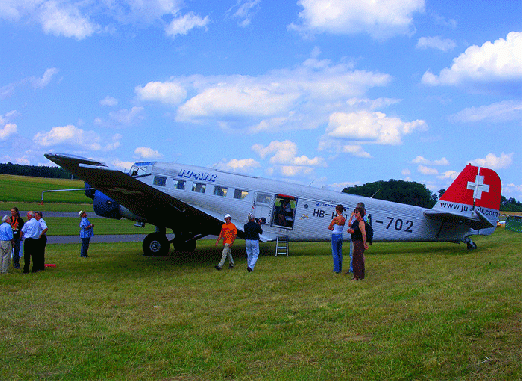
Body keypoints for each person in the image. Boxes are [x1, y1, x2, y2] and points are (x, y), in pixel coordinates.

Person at [346, 206, 369, 280]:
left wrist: (364, 243)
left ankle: (357, 277)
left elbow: (364, 233)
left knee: (357, 260)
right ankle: (359, 276)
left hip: (359, 242)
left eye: (357, 213)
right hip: (355, 242)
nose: (355, 214)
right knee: (356, 259)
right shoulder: (356, 222)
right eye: (355, 212)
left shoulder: (361, 222)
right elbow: (351, 227)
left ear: (361, 214)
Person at [328, 204, 346, 274]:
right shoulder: (343, 219)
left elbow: (329, 227)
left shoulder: (335, 219)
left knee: (335, 252)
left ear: (337, 210)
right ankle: (340, 267)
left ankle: (336, 269)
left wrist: (332, 228)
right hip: (340, 234)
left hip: (335, 235)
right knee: (339, 252)